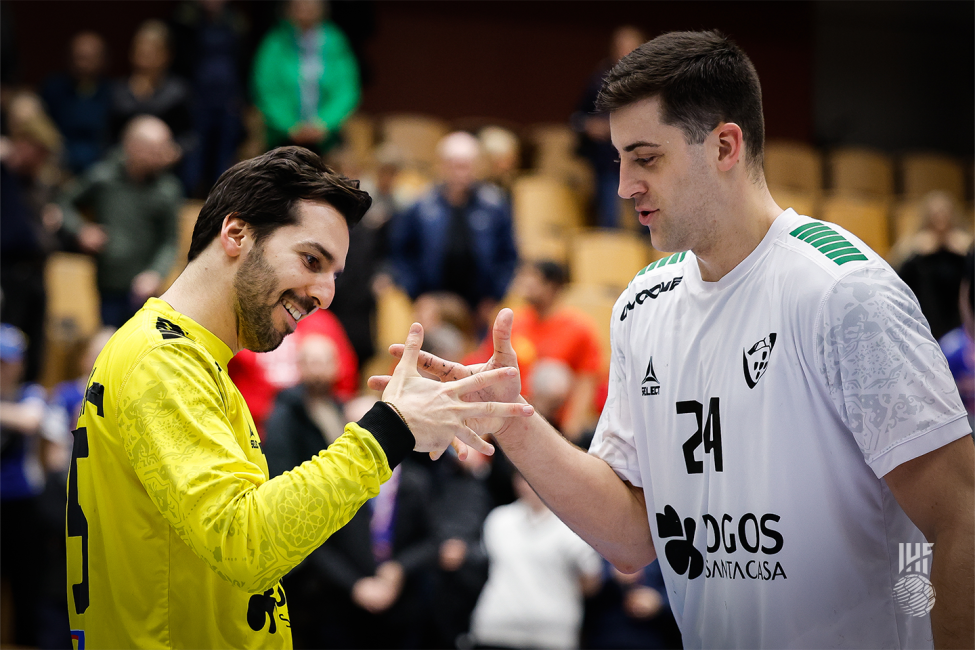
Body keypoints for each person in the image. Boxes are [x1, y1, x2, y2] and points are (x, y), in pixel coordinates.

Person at [372, 31, 975, 649]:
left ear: (724, 145)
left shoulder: (843, 292)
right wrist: (516, 423)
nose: (624, 186)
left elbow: (957, 522)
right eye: (619, 160)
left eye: (646, 158)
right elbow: (632, 538)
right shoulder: (641, 306)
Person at [65, 145, 532, 648]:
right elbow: (247, 545)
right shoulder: (162, 360)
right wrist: (390, 429)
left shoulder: (188, 357)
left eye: (334, 274)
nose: (325, 293)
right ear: (236, 233)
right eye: (312, 259)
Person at [57, 115, 183, 327]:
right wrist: (81, 230)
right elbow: (62, 204)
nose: (164, 156)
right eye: (156, 150)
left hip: (145, 291)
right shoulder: (103, 177)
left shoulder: (168, 190)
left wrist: (155, 273)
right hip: (108, 284)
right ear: (133, 147)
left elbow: (169, 241)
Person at [388, 131, 518, 318]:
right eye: (454, 166)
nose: (460, 174)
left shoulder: (494, 207)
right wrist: (416, 296)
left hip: (479, 306)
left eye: (466, 167)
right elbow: (401, 254)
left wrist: (494, 297)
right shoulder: (421, 206)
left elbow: (508, 256)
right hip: (433, 304)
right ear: (442, 166)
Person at [468, 471, 602, 650]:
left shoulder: (576, 525)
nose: (529, 484)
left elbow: (590, 582)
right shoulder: (499, 519)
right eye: (522, 477)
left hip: (552, 633)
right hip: (496, 627)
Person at [252, 0, 360, 153]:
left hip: (327, 139)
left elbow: (346, 89)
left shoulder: (336, 41)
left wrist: (323, 124)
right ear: (287, 8)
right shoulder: (275, 43)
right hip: (282, 139)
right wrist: (290, 126)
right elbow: (266, 90)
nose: (305, 7)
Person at [40, 32, 112, 176]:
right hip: (58, 160)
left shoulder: (113, 93)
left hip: (101, 165)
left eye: (88, 58)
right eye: (78, 57)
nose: (82, 64)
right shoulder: (53, 89)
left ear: (103, 60)